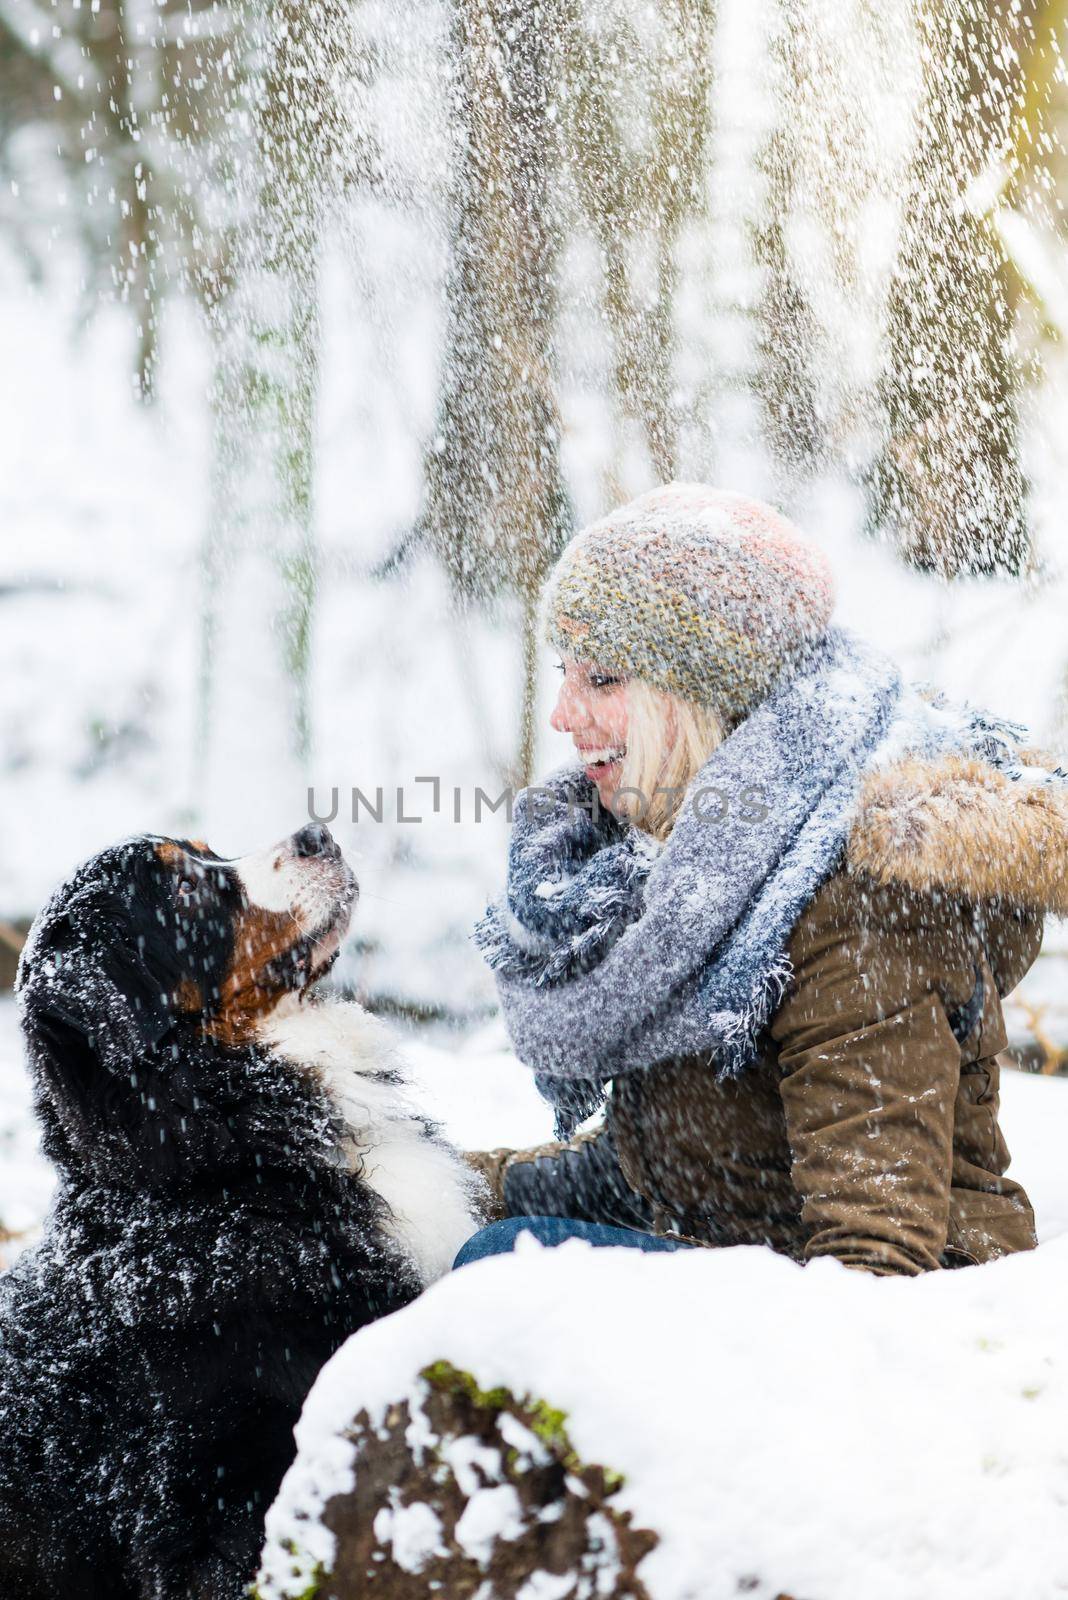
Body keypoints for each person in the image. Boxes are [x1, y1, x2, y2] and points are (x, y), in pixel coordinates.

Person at [458, 483, 1068, 1276]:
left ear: (702, 691)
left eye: (602, 678)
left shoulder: (848, 895)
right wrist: (433, 1184)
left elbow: (876, 1266)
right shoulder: (707, 862)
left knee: (498, 1267)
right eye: (564, 672)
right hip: (748, 1256)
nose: (563, 715)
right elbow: (673, 1170)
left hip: (900, 1326)